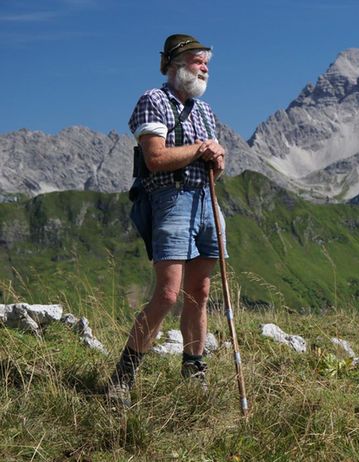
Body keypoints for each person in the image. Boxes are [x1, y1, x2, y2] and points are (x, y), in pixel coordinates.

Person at [107, 34, 227, 407]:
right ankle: (122, 377)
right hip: (170, 200)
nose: (204, 66)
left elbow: (212, 166)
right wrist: (200, 150)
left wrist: (217, 159)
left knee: (201, 293)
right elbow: (155, 159)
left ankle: (194, 371)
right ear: (174, 63)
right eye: (197, 59)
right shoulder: (153, 100)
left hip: (207, 200)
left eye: (206, 61)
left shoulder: (205, 111)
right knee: (168, 294)